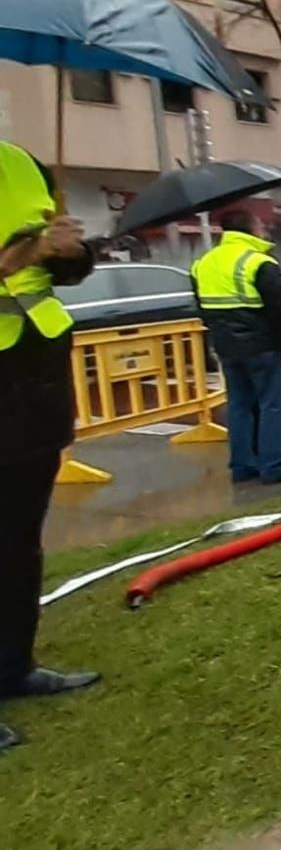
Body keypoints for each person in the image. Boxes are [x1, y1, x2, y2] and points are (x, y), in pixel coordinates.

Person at [0, 143, 101, 753]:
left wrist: (72, 253)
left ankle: (13, 666)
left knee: (17, 540)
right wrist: (14, 259)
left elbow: (57, 269)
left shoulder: (16, 161)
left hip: (32, 376)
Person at [191, 207, 281, 484]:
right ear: (251, 228)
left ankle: (243, 465)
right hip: (263, 343)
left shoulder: (203, 263)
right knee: (273, 404)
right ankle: (274, 464)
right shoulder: (258, 263)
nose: (263, 228)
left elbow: (202, 306)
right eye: (260, 223)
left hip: (226, 345)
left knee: (239, 404)